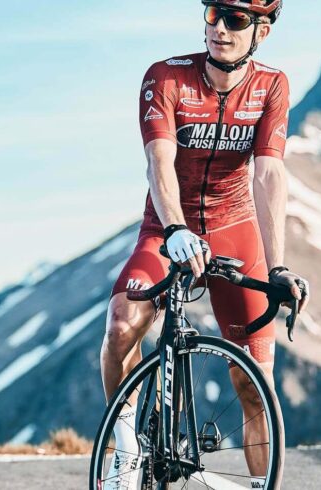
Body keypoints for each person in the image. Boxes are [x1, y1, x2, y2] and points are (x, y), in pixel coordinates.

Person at [100, 1, 310, 488]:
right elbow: (158, 161)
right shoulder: (167, 77)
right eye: (214, 13)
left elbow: (269, 173)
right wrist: (175, 229)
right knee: (121, 325)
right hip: (166, 228)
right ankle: (126, 449)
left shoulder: (271, 86)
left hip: (234, 228)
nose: (220, 29)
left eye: (235, 20)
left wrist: (277, 266)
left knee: (254, 382)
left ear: (261, 32)